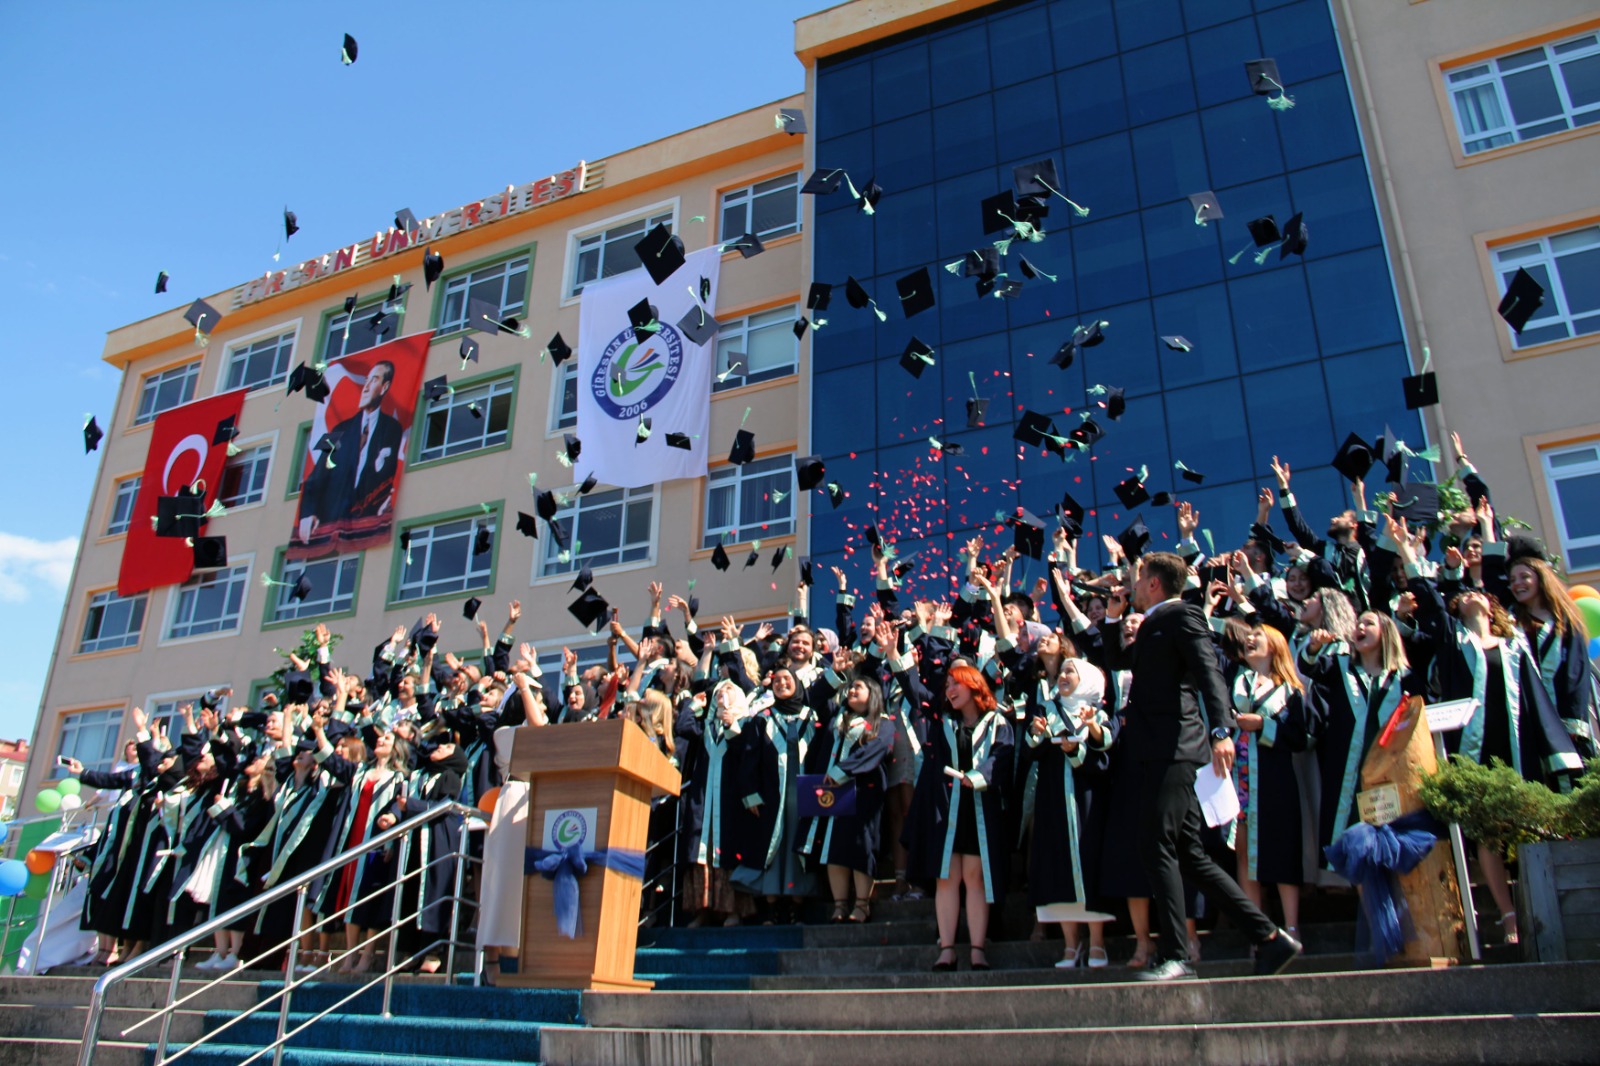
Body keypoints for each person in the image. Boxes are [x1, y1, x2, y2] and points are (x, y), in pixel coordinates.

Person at [1100, 551, 1300, 981]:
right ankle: (1270, 938)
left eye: (1138, 581)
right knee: (1188, 852)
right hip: (1156, 751)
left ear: (1154, 583)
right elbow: (1119, 663)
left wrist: (1223, 731)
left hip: (1176, 749)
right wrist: (1114, 620)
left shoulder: (1182, 616)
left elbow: (1209, 673)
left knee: (1156, 844)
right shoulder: (1153, 623)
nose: (1131, 588)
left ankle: (1174, 954)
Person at [901, 653, 1013, 973]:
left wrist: (977, 778)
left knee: (975, 878)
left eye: (956, 683)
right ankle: (947, 949)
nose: (950, 689)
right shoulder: (944, 723)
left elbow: (1002, 756)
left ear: (974, 685)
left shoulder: (997, 721)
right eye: (947, 684)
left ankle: (978, 949)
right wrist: (897, 657)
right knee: (946, 878)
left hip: (979, 808)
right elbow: (915, 693)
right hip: (946, 811)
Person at [1219, 620, 1310, 936]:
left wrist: (1263, 726)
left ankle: (1292, 925)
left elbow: (1299, 736)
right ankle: (1258, 930)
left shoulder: (1291, 689)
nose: (1250, 640)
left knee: (1282, 847)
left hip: (1273, 776)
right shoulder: (1237, 679)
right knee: (1243, 853)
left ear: (1275, 645)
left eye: (1258, 636)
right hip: (1239, 775)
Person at [798, 658, 895, 924]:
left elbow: (875, 752)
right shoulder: (836, 716)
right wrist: (836, 672)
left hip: (863, 793)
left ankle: (862, 904)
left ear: (873, 695)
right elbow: (813, 697)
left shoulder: (883, 724)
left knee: (861, 847)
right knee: (832, 847)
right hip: (830, 793)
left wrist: (843, 771)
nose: (852, 691)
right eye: (851, 688)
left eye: (859, 688)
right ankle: (840, 904)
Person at [295, 358, 403, 545]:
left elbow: (389, 476)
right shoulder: (338, 429)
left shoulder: (393, 429)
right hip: (330, 523)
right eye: (366, 380)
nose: (366, 387)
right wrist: (307, 513)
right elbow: (315, 475)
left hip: (366, 524)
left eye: (374, 380)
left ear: (384, 388)